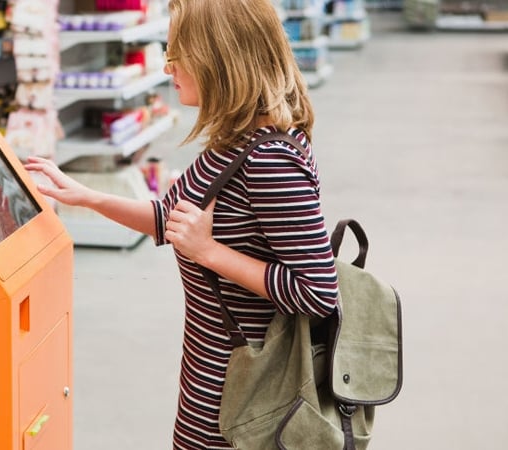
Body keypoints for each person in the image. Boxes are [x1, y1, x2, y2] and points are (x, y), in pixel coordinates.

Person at [24, 0, 339, 447]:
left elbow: (317, 292)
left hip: (245, 403)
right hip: (211, 380)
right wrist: (87, 196)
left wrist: (210, 253)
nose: (168, 67)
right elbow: (175, 222)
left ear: (217, 57)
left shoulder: (269, 160)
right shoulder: (236, 140)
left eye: (176, 55)